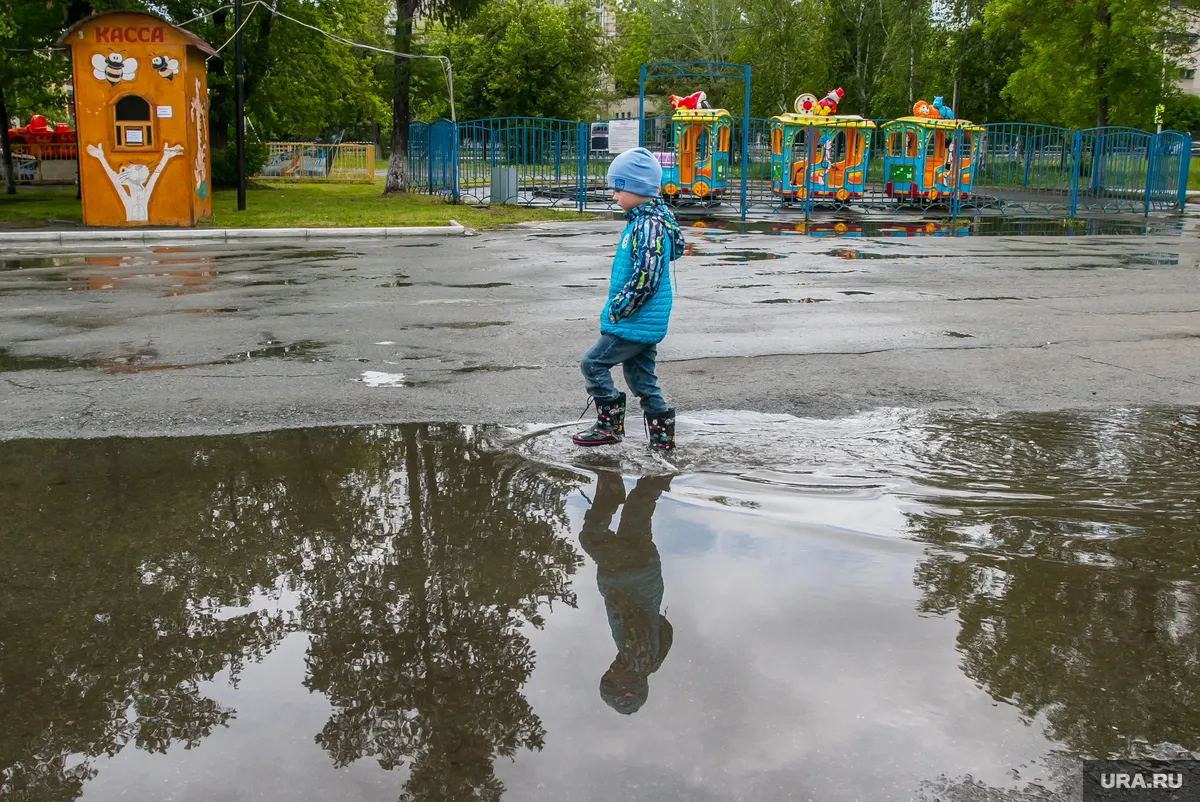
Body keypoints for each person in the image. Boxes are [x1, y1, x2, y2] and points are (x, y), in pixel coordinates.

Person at [573, 147, 686, 452]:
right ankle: (663, 443)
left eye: (618, 189)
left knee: (593, 364)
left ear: (637, 189)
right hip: (645, 321)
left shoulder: (647, 225)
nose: (614, 196)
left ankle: (609, 426)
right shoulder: (646, 221)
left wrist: (618, 309)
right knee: (642, 379)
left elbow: (645, 278)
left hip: (634, 320)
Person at [579, 470, 674, 715]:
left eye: (606, 679)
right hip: (626, 573)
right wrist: (613, 593)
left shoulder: (650, 661)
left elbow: (664, 627)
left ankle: (660, 473)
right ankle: (611, 487)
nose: (608, 673)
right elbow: (633, 617)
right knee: (592, 538)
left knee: (638, 511)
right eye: (611, 681)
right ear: (629, 686)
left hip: (647, 572)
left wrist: (648, 604)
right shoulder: (637, 660)